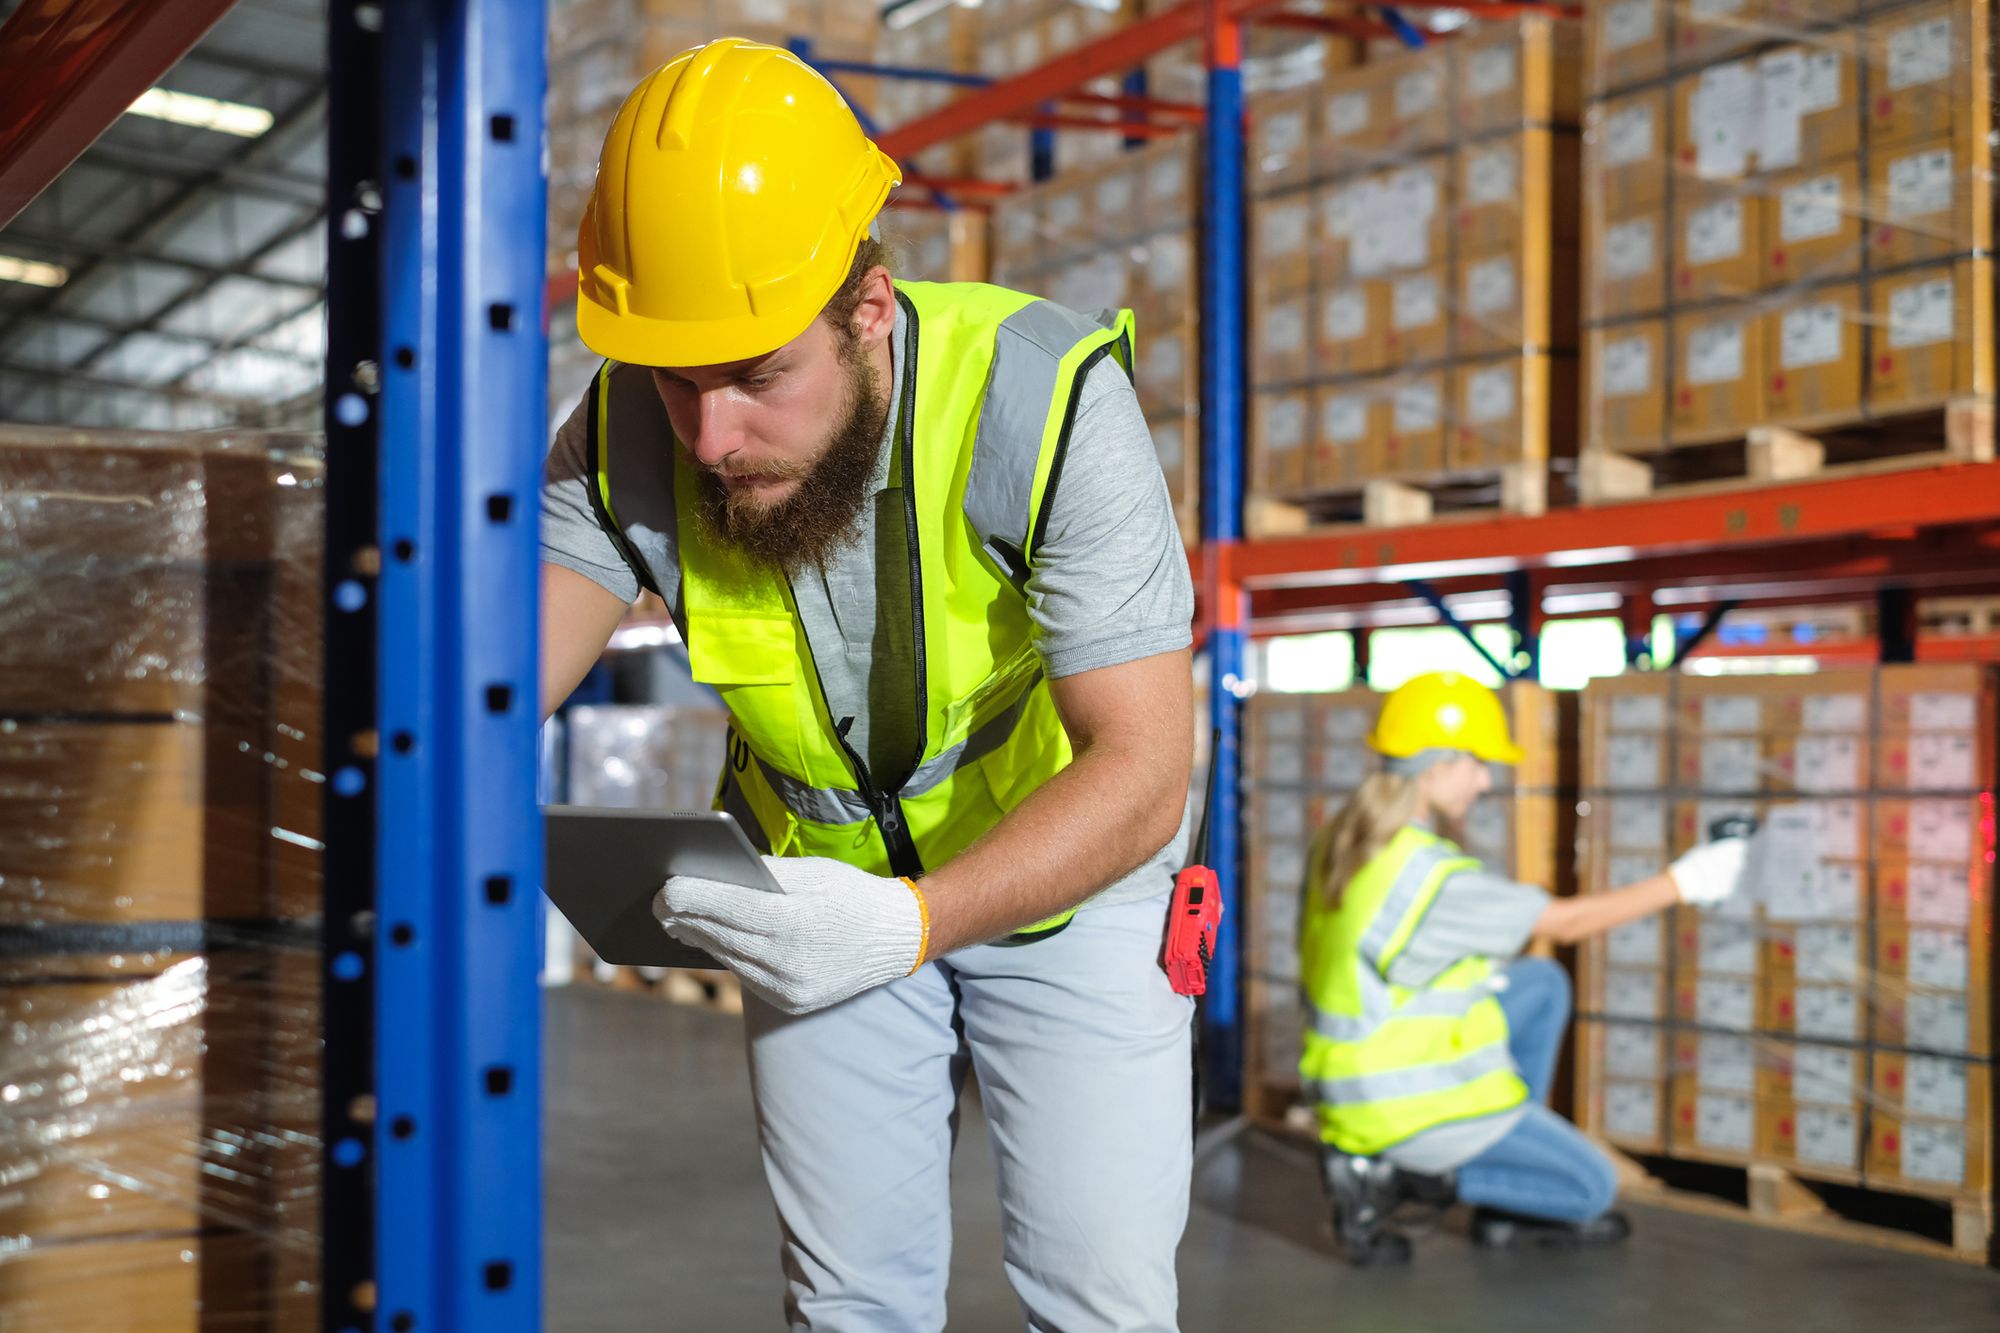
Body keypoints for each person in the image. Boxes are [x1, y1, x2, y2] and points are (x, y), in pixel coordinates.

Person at [537, 39, 1198, 1331]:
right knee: (847, 1306)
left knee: (1101, 1294)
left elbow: (1143, 770)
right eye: (679, 381)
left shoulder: (1045, 405)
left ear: (871, 312)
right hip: (811, 884)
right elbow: (479, 701)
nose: (713, 438)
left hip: (1065, 869)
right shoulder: (621, 436)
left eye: (760, 376)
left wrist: (910, 922)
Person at [1299, 671, 1749, 1266]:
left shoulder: (1346, 839)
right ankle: (1393, 1178)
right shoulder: (1428, 878)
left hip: (1353, 1073)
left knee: (1539, 985)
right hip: (1402, 1102)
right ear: (1440, 764)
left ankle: (1496, 1180)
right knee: (1591, 1188)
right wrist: (1689, 880)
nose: (1486, 782)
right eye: (1479, 764)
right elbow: (1564, 924)